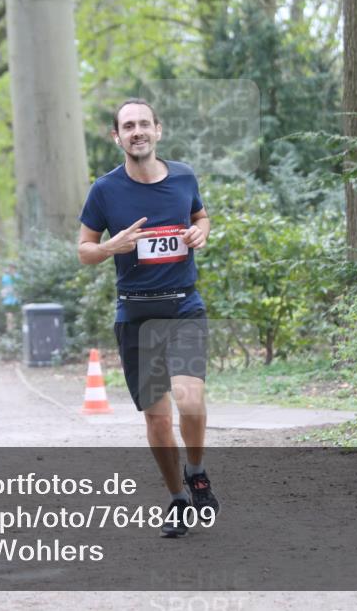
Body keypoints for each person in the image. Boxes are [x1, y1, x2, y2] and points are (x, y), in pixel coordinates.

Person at [77, 98, 218, 538]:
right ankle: (178, 498)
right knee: (156, 419)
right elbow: (83, 250)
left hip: (183, 305)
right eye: (127, 126)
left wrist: (202, 232)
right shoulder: (105, 190)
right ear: (116, 137)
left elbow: (200, 214)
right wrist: (109, 248)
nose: (136, 132)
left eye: (143, 124)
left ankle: (196, 471)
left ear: (158, 130)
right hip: (136, 314)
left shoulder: (183, 176)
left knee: (190, 400)